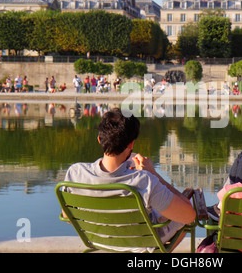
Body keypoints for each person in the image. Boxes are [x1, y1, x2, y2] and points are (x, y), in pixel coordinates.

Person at [63, 108, 195, 252]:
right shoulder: (144, 181)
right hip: (139, 244)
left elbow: (68, 217)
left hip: (97, 240)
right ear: (131, 144)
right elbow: (188, 216)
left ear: (99, 139)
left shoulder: (75, 173)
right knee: (186, 214)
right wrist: (153, 174)